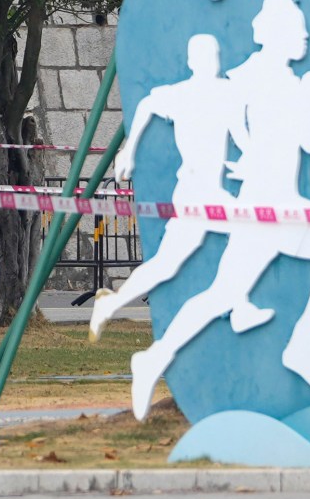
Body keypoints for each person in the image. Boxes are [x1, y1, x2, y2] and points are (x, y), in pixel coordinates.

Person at [130, 0, 310, 418]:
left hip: (277, 205)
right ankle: (301, 343)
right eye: (297, 29)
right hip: (266, 208)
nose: (306, 36)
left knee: (224, 293)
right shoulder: (250, 78)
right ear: (276, 34)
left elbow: (304, 139)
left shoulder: (288, 82)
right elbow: (235, 123)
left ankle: (157, 357)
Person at [91, 34, 263, 338]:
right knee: (176, 261)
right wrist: (128, 150)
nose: (212, 62)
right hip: (193, 192)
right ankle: (234, 303)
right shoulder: (182, 94)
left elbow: (242, 137)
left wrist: (253, 162)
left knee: (176, 261)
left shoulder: (227, 94)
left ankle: (234, 303)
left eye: (214, 55)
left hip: (210, 192)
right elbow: (146, 105)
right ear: (193, 61)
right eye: (205, 56)